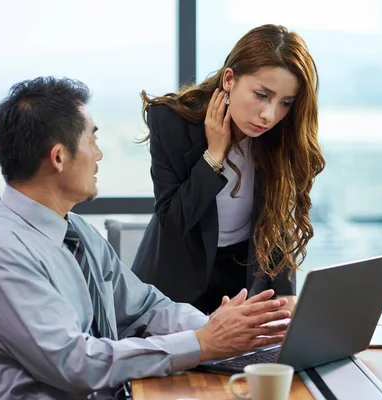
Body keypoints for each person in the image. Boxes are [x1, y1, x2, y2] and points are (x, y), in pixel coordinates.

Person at [0, 77, 291, 400]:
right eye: (92, 140)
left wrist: (228, 330)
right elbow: (75, 363)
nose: (99, 154)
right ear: (59, 156)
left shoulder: (76, 232)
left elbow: (146, 308)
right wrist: (202, 343)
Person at [132, 24, 325, 315]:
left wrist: (285, 304)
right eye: (261, 94)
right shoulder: (172, 122)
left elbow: (277, 224)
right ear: (230, 79)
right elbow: (173, 222)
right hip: (173, 289)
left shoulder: (280, 136)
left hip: (242, 281)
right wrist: (214, 155)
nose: (269, 115)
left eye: (285, 103)